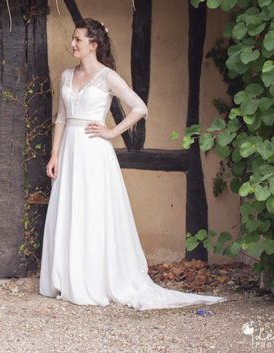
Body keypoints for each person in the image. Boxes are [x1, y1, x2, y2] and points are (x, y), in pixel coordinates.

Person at [39, 18, 223, 310]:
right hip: (70, 151)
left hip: (93, 152)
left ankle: (95, 280)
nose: (72, 44)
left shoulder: (107, 77)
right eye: (73, 39)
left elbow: (140, 107)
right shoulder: (66, 75)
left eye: (78, 40)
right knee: (70, 209)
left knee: (93, 211)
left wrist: (111, 132)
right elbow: (61, 118)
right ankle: (66, 278)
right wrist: (54, 155)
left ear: (94, 45)